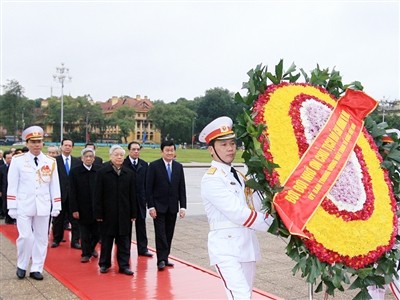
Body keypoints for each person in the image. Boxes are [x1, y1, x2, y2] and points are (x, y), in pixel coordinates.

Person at [199, 116, 274, 299]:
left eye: (232, 143)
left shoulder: (240, 175)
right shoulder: (212, 179)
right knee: (240, 295)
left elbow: (256, 205)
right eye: (223, 144)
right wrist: (276, 227)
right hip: (226, 248)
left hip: (246, 246)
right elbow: (238, 214)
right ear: (211, 149)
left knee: (245, 294)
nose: (230, 148)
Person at [7, 126, 61, 280]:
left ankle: (37, 267)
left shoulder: (50, 162)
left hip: (43, 205)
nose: (37, 145)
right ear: (28, 143)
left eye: (40, 142)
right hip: (24, 204)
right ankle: (22, 265)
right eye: (34, 142)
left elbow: (54, 184)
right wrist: (12, 206)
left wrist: (56, 205)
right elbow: (12, 185)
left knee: (41, 238)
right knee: (25, 237)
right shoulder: (18, 161)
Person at [95, 145, 137, 275]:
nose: (119, 157)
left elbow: (133, 195)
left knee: (124, 241)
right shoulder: (102, 172)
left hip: (124, 213)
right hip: (108, 213)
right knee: (107, 240)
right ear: (110, 156)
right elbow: (97, 194)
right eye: (116, 155)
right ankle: (104, 264)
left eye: (121, 155)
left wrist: (133, 213)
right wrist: (98, 213)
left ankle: (124, 265)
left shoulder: (129, 173)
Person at [146, 140, 187, 271]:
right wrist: (151, 206)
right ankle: (161, 260)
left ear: (174, 152)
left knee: (169, 233)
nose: (170, 153)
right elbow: (149, 188)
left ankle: (166, 257)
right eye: (167, 150)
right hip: (158, 207)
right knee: (160, 234)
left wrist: (183, 207)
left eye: (172, 150)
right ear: (162, 151)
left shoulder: (178, 167)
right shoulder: (153, 166)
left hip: (172, 207)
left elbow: (182, 188)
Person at [69, 148, 101, 263]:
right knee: (85, 232)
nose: (88, 159)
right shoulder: (75, 171)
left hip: (96, 207)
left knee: (97, 232)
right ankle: (86, 253)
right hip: (82, 208)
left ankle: (92, 248)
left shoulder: (99, 170)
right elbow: (72, 191)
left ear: (94, 158)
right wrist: (74, 209)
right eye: (86, 156)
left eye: (90, 157)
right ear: (82, 158)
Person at [123, 141, 153, 257]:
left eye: (138, 149)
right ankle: (125, 249)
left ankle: (143, 248)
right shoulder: (123, 164)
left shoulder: (144, 165)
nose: (136, 151)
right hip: (127, 200)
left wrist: (147, 199)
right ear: (129, 150)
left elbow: (147, 184)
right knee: (126, 227)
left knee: (141, 226)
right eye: (133, 149)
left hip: (140, 200)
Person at [51, 138, 81, 249]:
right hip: (59, 194)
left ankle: (75, 241)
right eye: (65, 145)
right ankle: (56, 239)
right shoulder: (54, 161)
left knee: (75, 220)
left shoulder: (77, 161)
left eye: (70, 145)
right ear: (61, 146)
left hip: (73, 196)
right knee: (58, 219)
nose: (67, 147)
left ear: (72, 147)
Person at [0, 150, 13, 223]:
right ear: (5, 158)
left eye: (11, 158)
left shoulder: (15, 167)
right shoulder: (2, 168)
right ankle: (7, 218)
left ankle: (13, 218)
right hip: (5, 189)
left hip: (13, 189)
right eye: (8, 158)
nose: (10, 160)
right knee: (6, 204)